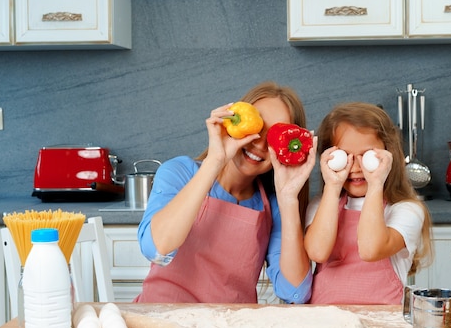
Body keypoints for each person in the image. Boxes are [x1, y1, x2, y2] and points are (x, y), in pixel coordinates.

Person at [134, 81, 316, 304]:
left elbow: (295, 292)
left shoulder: (273, 206)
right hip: (161, 322)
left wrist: (288, 199)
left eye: (274, 137)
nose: (258, 143)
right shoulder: (179, 172)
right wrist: (215, 161)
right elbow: (157, 249)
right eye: (256, 127)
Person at [304, 102, 433, 305]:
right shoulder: (322, 206)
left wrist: (375, 184)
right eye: (343, 156)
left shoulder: (406, 210)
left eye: (367, 156)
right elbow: (318, 252)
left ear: (387, 155)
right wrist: (332, 186)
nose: (355, 167)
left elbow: (370, 250)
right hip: (325, 320)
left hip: (383, 322)